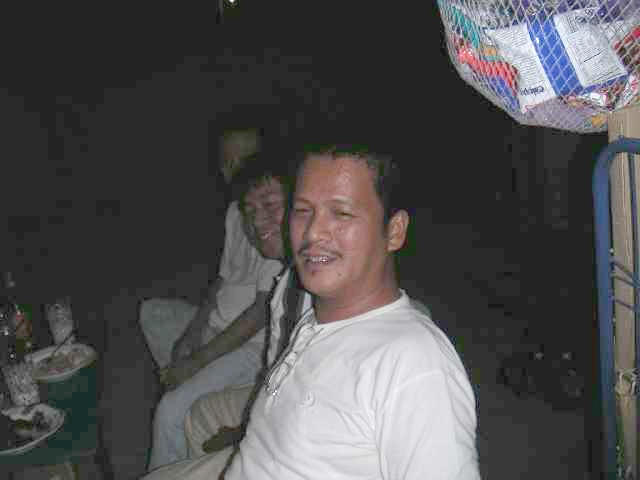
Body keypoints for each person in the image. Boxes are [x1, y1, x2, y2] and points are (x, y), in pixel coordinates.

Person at [142, 144, 480, 479]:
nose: (313, 231)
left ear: (394, 231)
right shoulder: (311, 319)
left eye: (341, 213)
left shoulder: (415, 363)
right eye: (303, 211)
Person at [140, 153, 290, 470]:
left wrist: (196, 362)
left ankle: (185, 399)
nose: (257, 220)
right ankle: (189, 391)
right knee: (153, 313)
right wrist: (192, 333)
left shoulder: (291, 261)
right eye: (228, 160)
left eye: (270, 204)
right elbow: (220, 280)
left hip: (250, 347)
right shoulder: (238, 214)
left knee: (170, 411)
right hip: (219, 328)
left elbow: (258, 317)